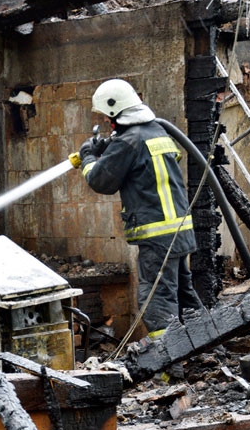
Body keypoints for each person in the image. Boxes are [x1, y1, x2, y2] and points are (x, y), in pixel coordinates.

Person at [77, 78, 200, 337]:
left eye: (107, 117)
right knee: (183, 298)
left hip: (157, 236)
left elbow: (101, 180)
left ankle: (169, 368)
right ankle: (210, 352)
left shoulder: (128, 142)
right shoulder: (156, 131)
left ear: (115, 113)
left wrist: (88, 156)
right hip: (179, 231)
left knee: (156, 302)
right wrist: (108, 149)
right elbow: (144, 166)